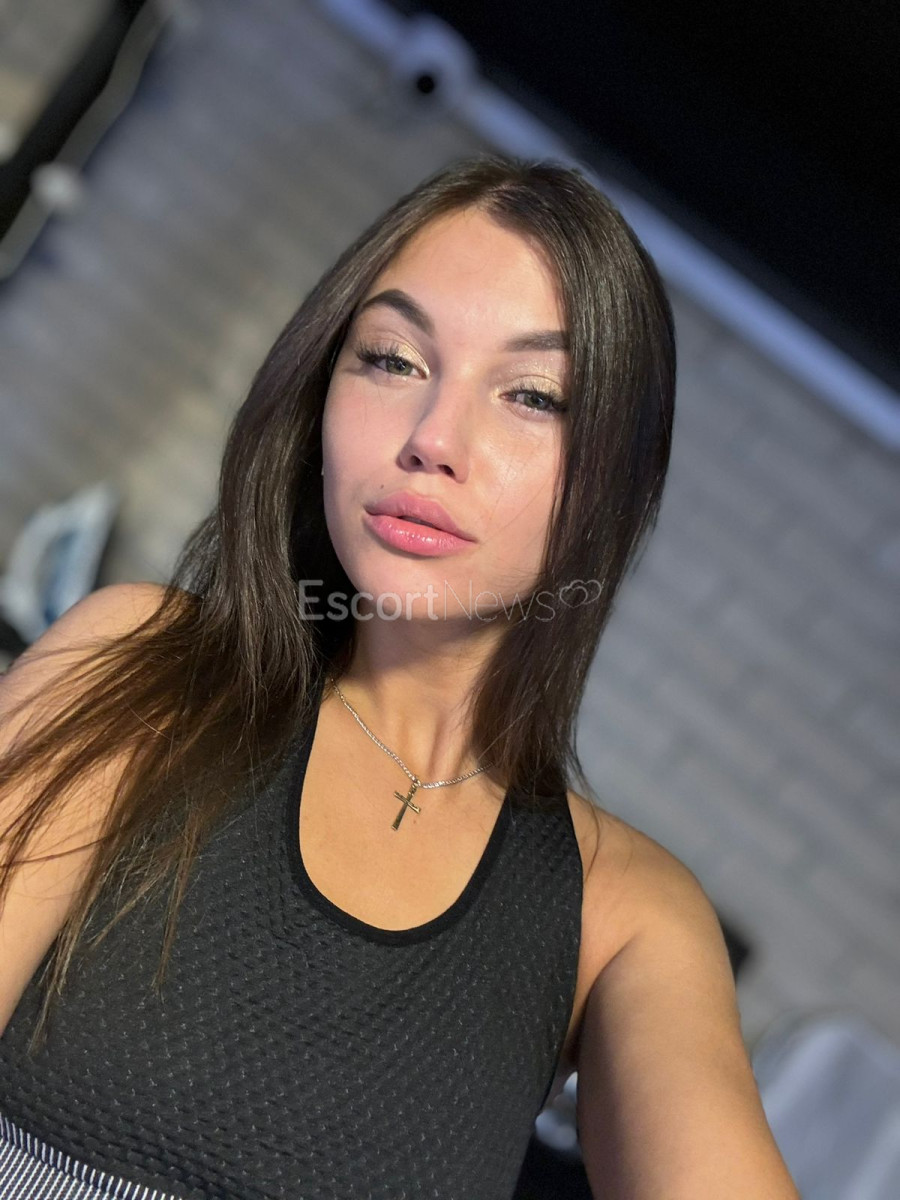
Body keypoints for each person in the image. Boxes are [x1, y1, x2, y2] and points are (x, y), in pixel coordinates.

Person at [0, 153, 799, 1199]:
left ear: (615, 479)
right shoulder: (142, 675)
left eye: (532, 395)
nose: (433, 440)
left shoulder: (624, 914)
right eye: (391, 359)